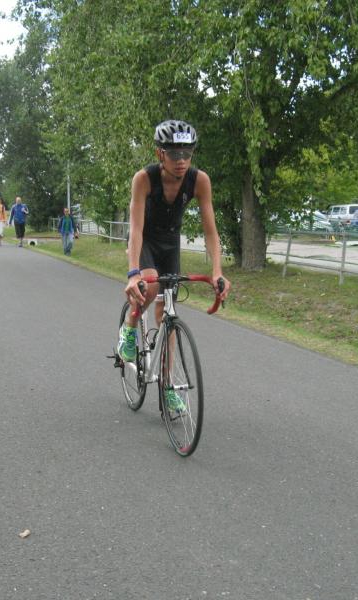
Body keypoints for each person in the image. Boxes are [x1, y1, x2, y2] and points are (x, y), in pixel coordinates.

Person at [117, 119, 230, 414]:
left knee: (166, 316)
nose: (181, 160)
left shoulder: (199, 180)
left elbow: (211, 232)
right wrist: (133, 273)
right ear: (160, 154)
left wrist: (217, 271)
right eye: (174, 153)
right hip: (144, 240)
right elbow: (136, 228)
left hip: (170, 244)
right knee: (151, 282)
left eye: (187, 154)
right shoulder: (144, 179)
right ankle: (129, 329)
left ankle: (167, 387)